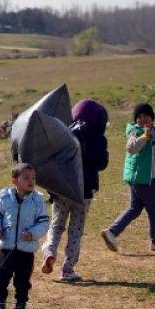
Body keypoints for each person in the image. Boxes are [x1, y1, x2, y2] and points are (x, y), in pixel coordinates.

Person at [101, 103, 155, 253]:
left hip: (150, 179)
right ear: (135, 120)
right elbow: (131, 148)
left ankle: (111, 232)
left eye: (146, 115)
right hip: (140, 179)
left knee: (135, 208)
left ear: (152, 118)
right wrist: (144, 136)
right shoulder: (134, 131)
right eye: (139, 117)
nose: (142, 119)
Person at [42, 99, 110, 282]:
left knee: (56, 226)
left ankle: (49, 251)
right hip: (84, 192)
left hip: (62, 188)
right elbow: (102, 164)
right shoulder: (98, 137)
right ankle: (68, 269)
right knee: (75, 231)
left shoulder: (64, 132)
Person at [0, 163, 50, 309]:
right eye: (26, 178)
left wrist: (33, 233)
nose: (31, 181)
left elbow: (44, 222)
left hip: (26, 250)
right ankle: (0, 304)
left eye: (34, 178)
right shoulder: (4, 196)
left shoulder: (37, 199)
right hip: (6, 248)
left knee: (22, 282)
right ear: (15, 181)